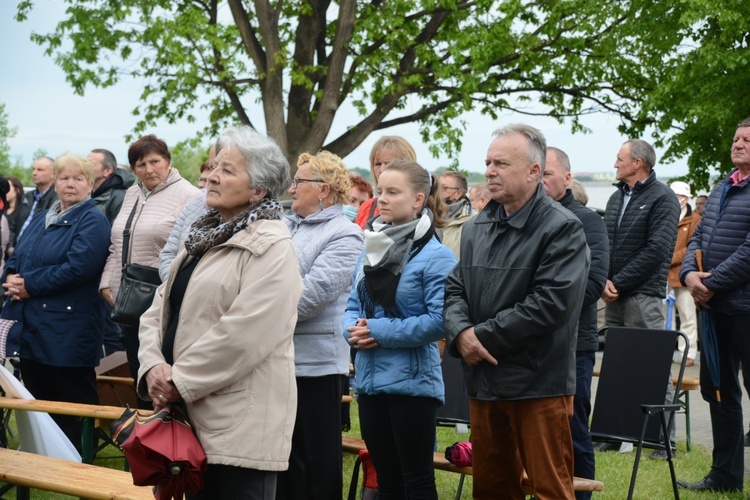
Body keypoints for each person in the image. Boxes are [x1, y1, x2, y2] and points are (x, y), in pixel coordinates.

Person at [137, 125, 302, 500]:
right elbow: (158, 309)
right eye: (213, 167)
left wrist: (177, 380)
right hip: (186, 419)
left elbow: (244, 336)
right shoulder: (203, 236)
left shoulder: (272, 246)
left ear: (258, 190)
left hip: (238, 427)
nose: (211, 176)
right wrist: (153, 366)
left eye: (227, 170)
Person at [444, 124, 589, 499]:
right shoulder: (478, 227)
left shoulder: (562, 228)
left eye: (502, 163)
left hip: (537, 382)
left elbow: (551, 304)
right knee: (492, 487)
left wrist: (481, 338)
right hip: (485, 382)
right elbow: (455, 288)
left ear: (534, 172)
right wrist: (461, 334)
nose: (490, 170)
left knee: (549, 489)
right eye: (488, 162)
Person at [345, 160, 455, 499]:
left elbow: (439, 321)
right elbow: (352, 305)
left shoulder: (438, 257)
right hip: (370, 382)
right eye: (380, 191)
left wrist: (377, 330)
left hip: (412, 385)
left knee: (416, 481)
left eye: (393, 192)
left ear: (419, 199)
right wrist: (351, 330)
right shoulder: (373, 247)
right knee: (387, 480)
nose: (382, 199)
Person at [0, 153, 111, 450]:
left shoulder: (93, 220)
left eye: (78, 178)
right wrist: (11, 278)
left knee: (74, 405)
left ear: (90, 184)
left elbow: (78, 268)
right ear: (56, 182)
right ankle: (47, 461)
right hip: (35, 328)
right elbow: (18, 256)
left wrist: (29, 285)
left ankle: (79, 466)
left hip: (70, 332)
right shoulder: (42, 218)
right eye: (64, 178)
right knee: (41, 400)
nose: (70, 184)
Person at [276, 151, 363, 500]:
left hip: (317, 366)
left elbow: (308, 299)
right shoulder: (285, 226)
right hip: (278, 359)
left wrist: (257, 307)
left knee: (316, 461)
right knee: (284, 459)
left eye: (299, 182)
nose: (292, 188)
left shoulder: (345, 235)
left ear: (323, 189)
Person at [676, 118, 750, 493]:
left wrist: (712, 285)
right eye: (736, 138)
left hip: (745, 309)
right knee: (719, 392)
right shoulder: (722, 188)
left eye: (747, 140)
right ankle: (725, 477)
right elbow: (699, 237)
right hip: (715, 311)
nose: (738, 144)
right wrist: (690, 276)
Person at [100, 134, 198, 406]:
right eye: (141, 165)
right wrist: (107, 283)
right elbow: (117, 242)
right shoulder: (132, 193)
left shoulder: (190, 196)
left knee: (163, 378)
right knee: (138, 374)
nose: (149, 169)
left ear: (168, 161)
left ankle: (170, 441)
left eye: (155, 161)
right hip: (128, 303)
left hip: (163, 301)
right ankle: (144, 440)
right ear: (133, 170)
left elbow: (191, 252)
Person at [599, 139, 680, 458]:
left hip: (643, 295)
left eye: (620, 159)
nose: (615, 164)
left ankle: (664, 439)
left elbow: (658, 249)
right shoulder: (617, 197)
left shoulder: (663, 198)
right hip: (614, 294)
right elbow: (605, 242)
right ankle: (614, 432)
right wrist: (604, 278)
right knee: (616, 365)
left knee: (653, 364)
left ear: (638, 163)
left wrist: (618, 281)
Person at [543, 147, 609, 500]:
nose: (541, 181)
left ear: (567, 178)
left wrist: (539, 308)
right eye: (535, 174)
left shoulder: (588, 221)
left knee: (573, 431)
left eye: (548, 174)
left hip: (572, 345)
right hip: (527, 344)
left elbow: (594, 283)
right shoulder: (522, 218)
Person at [667, 181, 700, 366]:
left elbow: (692, 247)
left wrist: (669, 259)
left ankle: (688, 353)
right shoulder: (666, 215)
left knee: (687, 316)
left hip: (683, 275)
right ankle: (665, 351)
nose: (676, 199)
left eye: (678, 195)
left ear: (686, 198)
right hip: (663, 276)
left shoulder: (694, 219)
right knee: (665, 318)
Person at [354, 136, 417, 229]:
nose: (382, 169)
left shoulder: (419, 207)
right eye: (377, 164)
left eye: (389, 163)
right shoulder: (367, 208)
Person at [16, 156, 58, 244]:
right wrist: (9, 246)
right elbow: (13, 222)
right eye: (33, 169)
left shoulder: (57, 200)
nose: (34, 173)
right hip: (15, 250)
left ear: (53, 174)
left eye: (40, 170)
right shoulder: (27, 196)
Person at [89, 148, 135, 224]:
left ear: (107, 171)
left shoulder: (119, 197)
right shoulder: (85, 193)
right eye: (85, 164)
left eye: (91, 165)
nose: (85, 168)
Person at [440, 171, 475, 259]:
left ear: (458, 193)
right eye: (437, 187)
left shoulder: (473, 220)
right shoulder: (427, 215)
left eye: (444, 188)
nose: (437, 191)